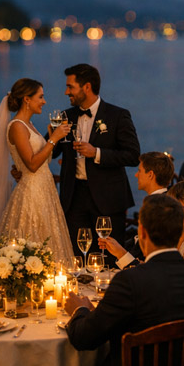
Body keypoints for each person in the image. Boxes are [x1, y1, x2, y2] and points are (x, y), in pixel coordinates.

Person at [31, 194, 184, 366]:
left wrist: (80, 310)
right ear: (181, 233)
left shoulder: (131, 281)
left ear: (142, 232)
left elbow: (84, 339)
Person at [0, 79, 73, 263]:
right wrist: (53, 139)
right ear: (27, 99)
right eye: (40, 97)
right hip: (31, 192)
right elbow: (31, 164)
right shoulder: (17, 126)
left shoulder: (29, 125)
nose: (44, 101)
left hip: (45, 191)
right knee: (33, 242)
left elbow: (43, 160)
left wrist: (50, 139)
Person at [54, 63, 141, 250]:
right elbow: (51, 151)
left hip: (108, 199)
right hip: (74, 197)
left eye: (70, 87)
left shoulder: (117, 115)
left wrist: (97, 153)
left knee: (109, 255)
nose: (66, 92)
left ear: (87, 87)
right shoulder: (65, 117)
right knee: (77, 254)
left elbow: (133, 155)